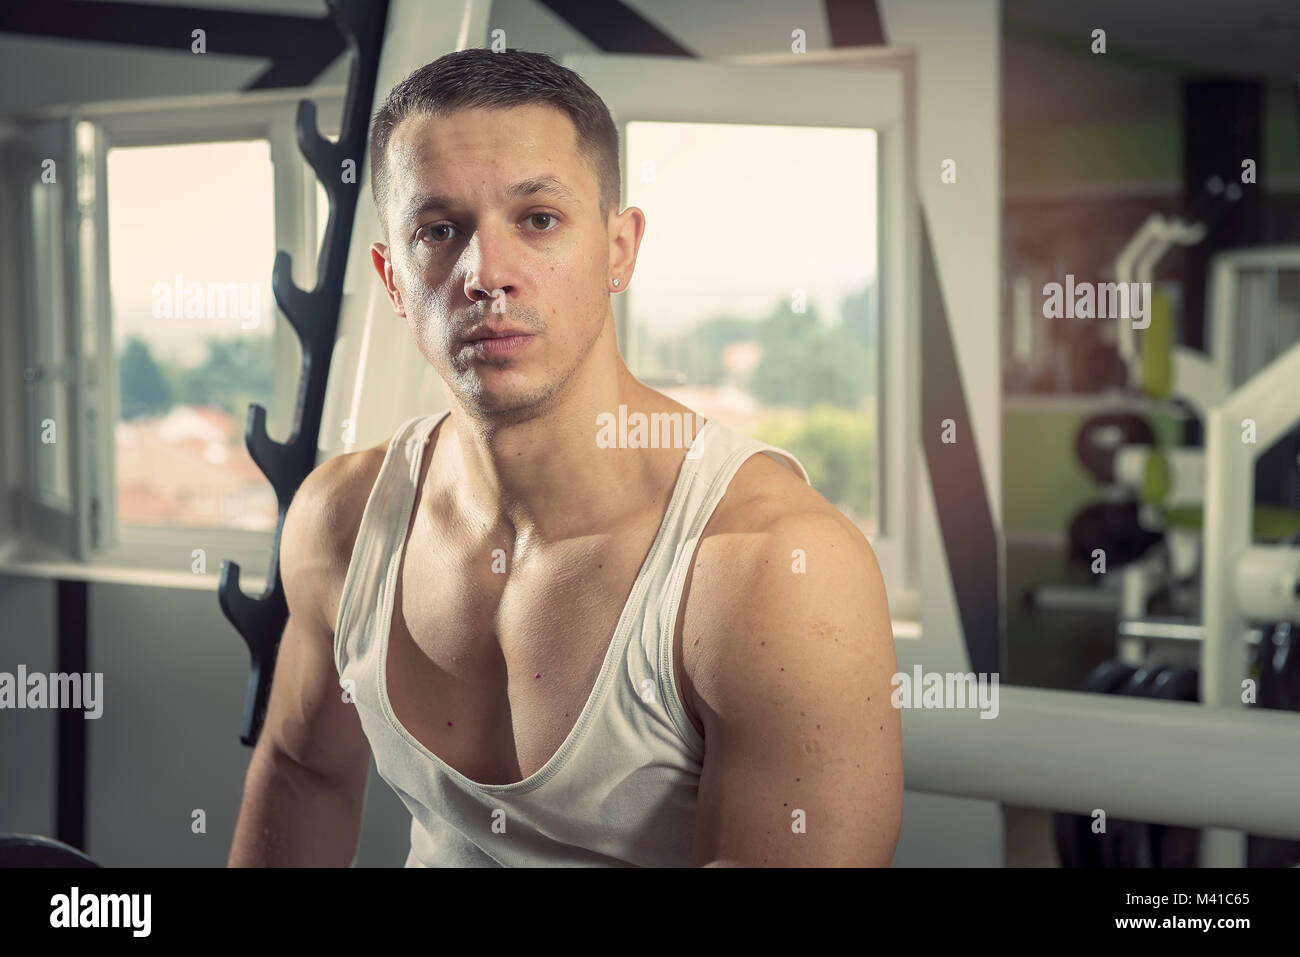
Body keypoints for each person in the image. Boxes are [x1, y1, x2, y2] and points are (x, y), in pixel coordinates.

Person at [229, 47, 901, 867]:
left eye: (538, 219)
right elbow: (305, 776)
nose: (487, 274)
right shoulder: (341, 517)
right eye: (439, 231)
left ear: (620, 249)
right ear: (393, 279)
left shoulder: (776, 570)